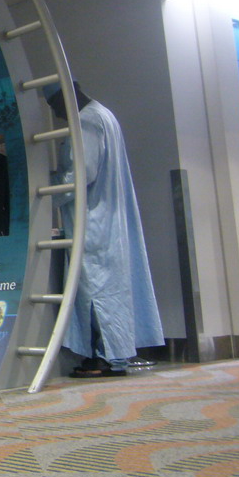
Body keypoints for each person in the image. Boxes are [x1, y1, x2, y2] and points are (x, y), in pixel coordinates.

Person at [45, 82, 164, 377]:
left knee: (94, 290)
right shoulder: (105, 115)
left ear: (65, 97)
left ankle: (103, 357)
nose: (57, 114)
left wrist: (45, 190)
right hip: (107, 220)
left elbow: (81, 173)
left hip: (94, 221)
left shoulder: (86, 120)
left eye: (55, 106)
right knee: (109, 288)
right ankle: (114, 356)